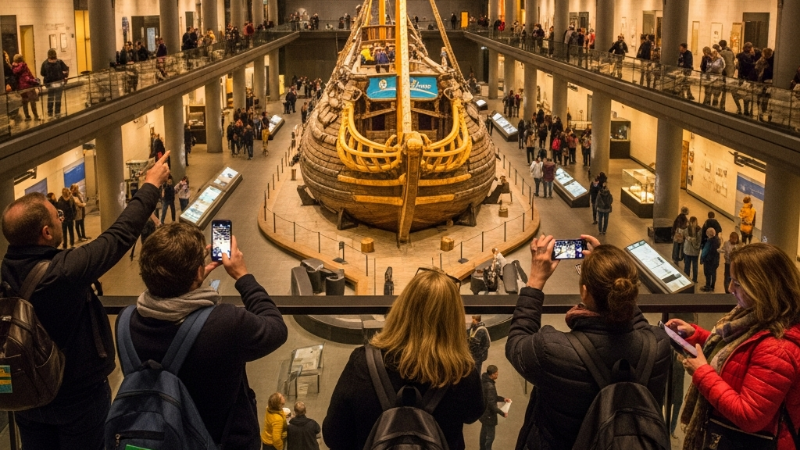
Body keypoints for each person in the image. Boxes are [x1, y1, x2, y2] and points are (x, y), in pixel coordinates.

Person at [0, 152, 170, 449]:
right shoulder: (63, 271)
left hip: (26, 395)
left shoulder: (4, 273)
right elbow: (119, 236)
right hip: (77, 398)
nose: (61, 218)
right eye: (58, 216)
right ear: (46, 232)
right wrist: (151, 186)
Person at [125, 222, 287, 448]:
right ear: (198, 272)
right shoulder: (224, 324)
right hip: (220, 440)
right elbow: (276, 329)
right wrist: (242, 275)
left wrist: (193, 280)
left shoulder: (126, 322)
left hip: (157, 434)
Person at [507, 235, 671, 450]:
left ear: (585, 292)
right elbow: (637, 324)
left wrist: (535, 283)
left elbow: (516, 342)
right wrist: (611, 266)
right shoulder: (659, 345)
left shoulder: (551, 350)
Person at [323, 269, 484, 450]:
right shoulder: (461, 373)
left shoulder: (361, 363)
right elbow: (473, 413)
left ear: (401, 308)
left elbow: (333, 436)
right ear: (454, 320)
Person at [667, 243, 800, 450]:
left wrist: (703, 373)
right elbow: (738, 354)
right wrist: (697, 336)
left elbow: (750, 416)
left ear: (762, 287)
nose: (730, 289)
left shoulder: (777, 349)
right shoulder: (757, 318)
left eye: (737, 283)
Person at [479, 365, 509, 450]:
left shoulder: (484, 380)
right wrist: (503, 413)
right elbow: (492, 404)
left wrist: (503, 399)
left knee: (484, 432)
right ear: (491, 374)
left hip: (483, 412)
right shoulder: (490, 387)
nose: (497, 375)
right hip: (489, 416)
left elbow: (491, 397)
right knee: (490, 437)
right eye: (496, 373)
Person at [40, 48, 69, 118]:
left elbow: (42, 73)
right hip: (59, 82)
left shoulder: (45, 63)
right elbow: (66, 69)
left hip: (49, 83)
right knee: (58, 98)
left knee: (50, 97)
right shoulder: (59, 62)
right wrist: (65, 76)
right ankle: (57, 112)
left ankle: (50, 112)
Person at [11, 54, 40, 121]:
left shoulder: (13, 68)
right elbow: (28, 77)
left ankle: (27, 116)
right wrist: (35, 81)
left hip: (21, 88)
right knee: (33, 102)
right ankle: (36, 116)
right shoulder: (24, 66)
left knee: (24, 103)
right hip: (28, 86)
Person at [700, 228, 721, 292]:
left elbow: (705, 252)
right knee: (713, 273)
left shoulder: (709, 242)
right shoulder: (717, 240)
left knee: (707, 274)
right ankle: (712, 286)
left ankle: (707, 286)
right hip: (715, 261)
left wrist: (702, 258)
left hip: (708, 260)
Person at [683, 216, 702, 283]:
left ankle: (693, 278)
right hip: (689, 250)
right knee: (688, 265)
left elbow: (699, 240)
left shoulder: (698, 230)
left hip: (692, 251)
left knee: (693, 266)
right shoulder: (689, 229)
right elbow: (685, 236)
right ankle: (687, 277)